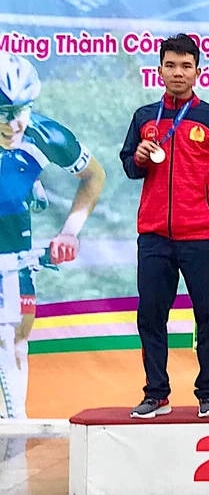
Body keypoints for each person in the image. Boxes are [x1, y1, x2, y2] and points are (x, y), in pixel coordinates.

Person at [120, 34, 209, 419]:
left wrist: (207, 202)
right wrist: (139, 158)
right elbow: (130, 166)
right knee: (151, 316)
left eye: (186, 66)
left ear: (198, 72)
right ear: (159, 71)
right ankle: (156, 393)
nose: (178, 73)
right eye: (170, 65)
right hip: (154, 235)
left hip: (200, 236)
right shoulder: (144, 117)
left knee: (207, 317)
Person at [0, 52, 106, 420]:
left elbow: (94, 176)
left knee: (15, 344)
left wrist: (70, 232)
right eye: (4, 113)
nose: (15, 123)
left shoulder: (43, 134)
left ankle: (13, 443)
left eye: (22, 109)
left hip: (15, 257)